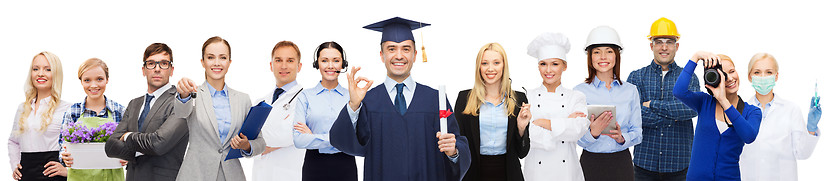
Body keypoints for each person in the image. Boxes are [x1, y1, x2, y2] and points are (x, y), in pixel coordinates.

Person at [329, 17, 471, 181]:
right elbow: (343, 142)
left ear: (415, 54)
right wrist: (354, 105)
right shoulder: (368, 101)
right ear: (382, 55)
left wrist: (453, 152)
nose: (399, 55)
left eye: (405, 49)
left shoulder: (435, 99)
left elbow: (456, 143)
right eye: (391, 49)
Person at [173, 36, 266, 181]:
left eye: (222, 58)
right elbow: (180, 112)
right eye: (211, 57)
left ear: (229, 62)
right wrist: (183, 95)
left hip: (231, 175)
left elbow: (260, 143)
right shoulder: (192, 93)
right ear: (203, 62)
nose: (217, 63)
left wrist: (246, 145)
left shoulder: (243, 99)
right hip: (196, 175)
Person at [627, 17, 699, 181]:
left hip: (679, 166)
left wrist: (652, 104)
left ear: (677, 46)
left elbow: (691, 109)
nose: (664, 47)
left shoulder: (689, 77)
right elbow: (635, 115)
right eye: (659, 41)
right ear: (651, 45)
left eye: (669, 42)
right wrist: (674, 117)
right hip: (644, 165)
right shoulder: (636, 77)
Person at [104, 43, 189, 181]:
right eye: (151, 64)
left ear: (171, 70)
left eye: (163, 63)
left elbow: (158, 144)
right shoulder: (134, 104)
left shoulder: (181, 102)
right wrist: (143, 150)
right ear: (143, 70)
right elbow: (111, 146)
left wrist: (127, 136)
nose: (157, 69)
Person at [674, 52, 761, 181]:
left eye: (732, 71)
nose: (730, 78)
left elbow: (749, 136)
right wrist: (696, 57)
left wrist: (723, 100)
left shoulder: (752, 111)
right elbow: (679, 91)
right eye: (723, 75)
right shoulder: (704, 102)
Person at [573, 26, 643, 181]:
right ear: (590, 57)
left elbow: (638, 133)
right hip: (590, 164)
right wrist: (593, 133)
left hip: (621, 164)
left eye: (609, 51)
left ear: (616, 55)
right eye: (597, 52)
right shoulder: (579, 92)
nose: (603, 57)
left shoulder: (630, 91)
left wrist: (622, 138)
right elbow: (575, 136)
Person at [453, 42, 529, 181]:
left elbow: (522, 152)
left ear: (504, 66)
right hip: (473, 173)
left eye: (496, 63)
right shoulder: (465, 98)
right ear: (479, 67)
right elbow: (459, 143)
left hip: (509, 174)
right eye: (485, 63)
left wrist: (521, 128)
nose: (490, 68)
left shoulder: (519, 99)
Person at [739, 53, 821, 181]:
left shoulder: (791, 110)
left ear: (776, 76)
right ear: (750, 77)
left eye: (769, 72)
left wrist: (811, 128)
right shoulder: (739, 111)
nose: (763, 77)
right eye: (757, 72)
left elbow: (802, 153)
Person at [522, 33, 590, 181]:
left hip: (567, 174)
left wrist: (541, 122)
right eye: (543, 64)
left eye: (555, 64)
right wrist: (565, 122)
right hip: (536, 174)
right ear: (538, 66)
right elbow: (527, 135)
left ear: (564, 66)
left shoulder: (576, 97)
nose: (548, 70)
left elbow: (578, 129)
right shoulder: (527, 96)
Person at [293, 41, 357, 181]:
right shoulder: (305, 97)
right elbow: (298, 140)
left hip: (346, 166)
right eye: (324, 60)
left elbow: (356, 139)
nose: (330, 66)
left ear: (343, 64)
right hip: (314, 166)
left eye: (336, 60)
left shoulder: (352, 97)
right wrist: (340, 140)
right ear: (317, 64)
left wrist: (313, 136)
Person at [59, 58, 126, 181]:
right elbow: (62, 145)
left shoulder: (119, 111)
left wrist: (128, 155)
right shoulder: (73, 111)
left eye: (99, 79)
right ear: (81, 82)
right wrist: (64, 157)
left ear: (107, 80)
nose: (93, 85)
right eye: (87, 80)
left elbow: (131, 144)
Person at [9, 51, 72, 181]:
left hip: (53, 176)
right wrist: (15, 164)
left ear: (56, 74)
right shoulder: (23, 108)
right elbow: (13, 141)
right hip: (26, 174)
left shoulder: (67, 109)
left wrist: (69, 171)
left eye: (48, 69)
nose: (40, 73)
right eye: (36, 69)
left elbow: (79, 144)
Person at [251, 40, 306, 181]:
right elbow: (247, 141)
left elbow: (289, 134)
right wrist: (258, 144)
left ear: (299, 66)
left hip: (289, 175)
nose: (283, 66)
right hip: (260, 175)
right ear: (271, 65)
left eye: (290, 60)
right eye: (278, 60)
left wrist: (255, 143)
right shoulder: (260, 101)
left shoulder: (306, 99)